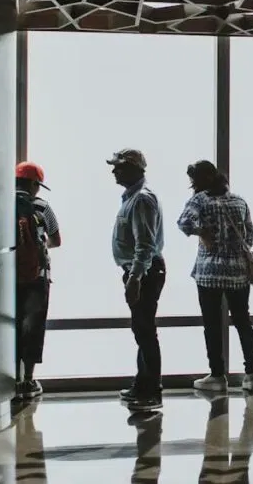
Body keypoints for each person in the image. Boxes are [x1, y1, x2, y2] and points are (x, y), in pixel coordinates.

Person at [177, 160, 253, 393]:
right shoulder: (239, 201)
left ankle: (217, 376)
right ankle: (251, 375)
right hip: (238, 273)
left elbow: (183, 223)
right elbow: (250, 236)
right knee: (243, 320)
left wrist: (202, 232)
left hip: (209, 272)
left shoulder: (200, 200)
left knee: (212, 324)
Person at [109, 148, 167, 412]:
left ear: (135, 169)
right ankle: (142, 384)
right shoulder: (131, 198)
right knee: (141, 329)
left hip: (144, 271)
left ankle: (151, 390)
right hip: (141, 270)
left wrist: (135, 278)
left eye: (119, 167)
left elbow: (145, 244)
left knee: (144, 330)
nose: (114, 171)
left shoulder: (141, 200)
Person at [14, 161, 62, 400]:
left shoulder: (2, 203)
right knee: (32, 326)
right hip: (37, 276)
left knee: (9, 325)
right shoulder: (42, 206)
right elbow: (56, 239)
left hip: (8, 279)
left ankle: (10, 377)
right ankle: (28, 379)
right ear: (34, 184)